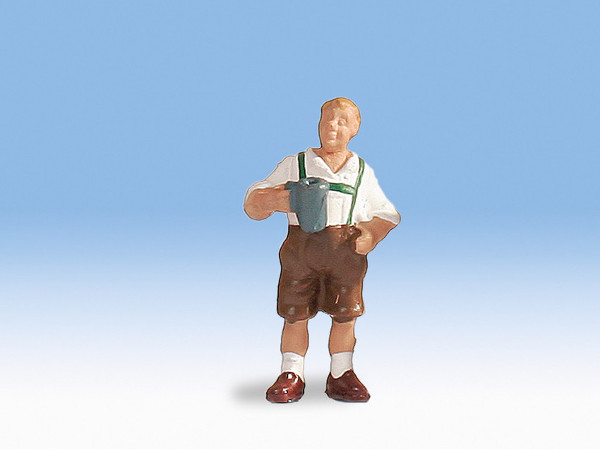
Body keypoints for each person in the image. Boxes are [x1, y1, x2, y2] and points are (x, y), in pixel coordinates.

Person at [244, 98, 400, 402]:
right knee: (294, 315)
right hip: (301, 253)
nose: (332, 126)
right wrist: (276, 199)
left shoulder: (360, 171)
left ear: (355, 129)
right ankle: (292, 372)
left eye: (341, 121)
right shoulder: (297, 164)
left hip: (346, 254)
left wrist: (372, 233)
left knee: (345, 316)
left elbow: (387, 213)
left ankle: (342, 373)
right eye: (327, 119)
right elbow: (253, 200)